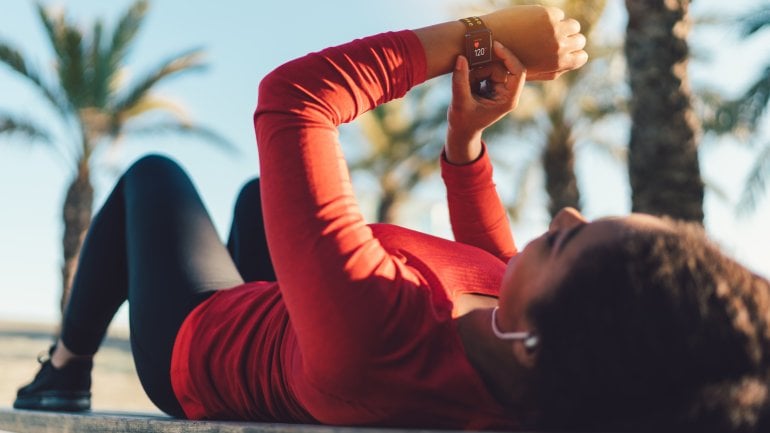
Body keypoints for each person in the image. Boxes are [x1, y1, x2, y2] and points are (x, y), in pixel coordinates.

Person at [13, 4, 770, 432]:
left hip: (198, 343)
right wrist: (465, 136)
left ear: (538, 341)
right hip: (306, 324)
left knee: (155, 177)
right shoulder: (532, 360)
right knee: (253, 202)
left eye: (567, 237)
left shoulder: (379, 334)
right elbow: (489, 259)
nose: (566, 209)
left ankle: (64, 371)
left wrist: (480, 35)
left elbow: (293, 100)